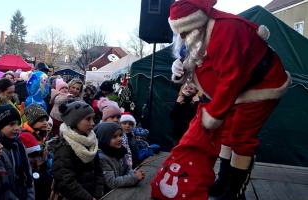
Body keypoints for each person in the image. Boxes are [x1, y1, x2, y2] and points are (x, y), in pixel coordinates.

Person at [168, 0, 291, 199]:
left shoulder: (227, 31)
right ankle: (224, 180)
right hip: (239, 89)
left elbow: (230, 79)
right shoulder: (202, 32)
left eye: (184, 31)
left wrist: (212, 114)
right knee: (226, 135)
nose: (181, 36)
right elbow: (203, 61)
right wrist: (182, 67)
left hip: (262, 86)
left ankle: (235, 191)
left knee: (241, 138)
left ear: (195, 22)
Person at [46, 101, 104, 200]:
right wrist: (88, 198)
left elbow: (98, 171)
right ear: (75, 122)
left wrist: (98, 193)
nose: (93, 123)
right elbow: (66, 182)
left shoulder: (90, 143)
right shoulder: (64, 149)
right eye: (88, 119)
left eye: (92, 118)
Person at [0, 104, 35, 199]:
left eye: (17, 123)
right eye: (11, 124)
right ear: (0, 126)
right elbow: (1, 186)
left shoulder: (19, 145)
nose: (16, 128)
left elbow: (28, 172)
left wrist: (30, 197)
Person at [94, 122, 144, 193]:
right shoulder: (102, 158)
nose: (120, 139)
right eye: (114, 136)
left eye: (120, 135)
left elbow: (127, 168)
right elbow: (111, 182)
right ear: (104, 139)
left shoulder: (120, 151)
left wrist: (134, 173)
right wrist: (134, 178)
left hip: (121, 190)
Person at [21, 103, 53, 200]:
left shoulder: (43, 134)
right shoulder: (25, 136)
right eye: (41, 120)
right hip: (32, 174)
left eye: (46, 120)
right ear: (31, 122)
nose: (45, 123)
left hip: (44, 170)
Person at [97, 97, 133, 167]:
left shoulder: (122, 133)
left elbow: (127, 151)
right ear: (104, 119)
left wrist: (129, 165)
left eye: (118, 117)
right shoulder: (100, 133)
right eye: (112, 117)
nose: (116, 120)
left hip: (122, 166)